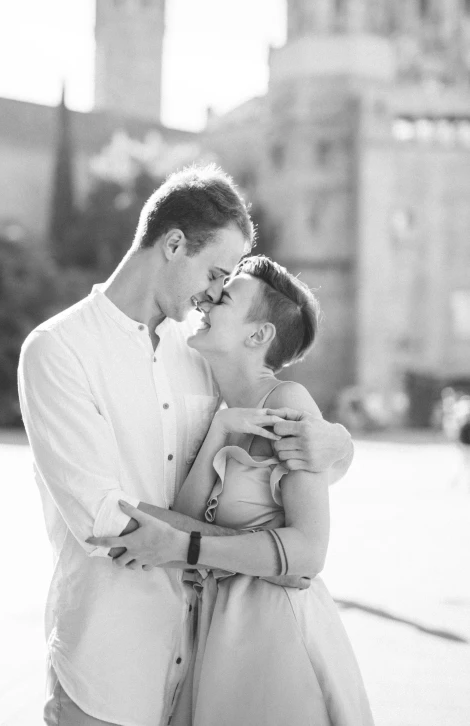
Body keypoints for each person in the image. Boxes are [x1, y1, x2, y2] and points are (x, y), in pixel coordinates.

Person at [18, 165, 353, 726]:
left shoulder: (200, 349)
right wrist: (268, 555)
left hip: (207, 666)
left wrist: (336, 445)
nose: (217, 291)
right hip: (110, 669)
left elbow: (277, 439)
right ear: (173, 243)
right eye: (216, 271)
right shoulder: (59, 350)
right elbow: (104, 516)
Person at [90, 256, 373, 726]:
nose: (206, 298)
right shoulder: (223, 410)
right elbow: (183, 516)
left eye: (224, 297)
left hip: (276, 636)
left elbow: (309, 552)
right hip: (218, 634)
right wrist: (221, 430)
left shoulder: (287, 402)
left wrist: (339, 440)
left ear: (259, 335)